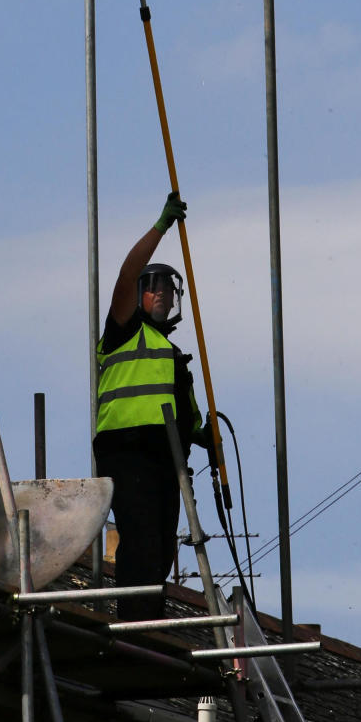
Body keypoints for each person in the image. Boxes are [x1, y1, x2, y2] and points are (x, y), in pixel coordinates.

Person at [93, 192, 212, 621]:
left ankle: (147, 616)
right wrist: (160, 227)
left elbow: (189, 418)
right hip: (127, 449)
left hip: (167, 458)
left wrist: (203, 437)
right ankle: (135, 622)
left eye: (166, 287)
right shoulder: (123, 330)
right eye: (153, 287)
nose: (160, 294)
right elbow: (127, 273)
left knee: (162, 547)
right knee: (141, 539)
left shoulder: (174, 358)